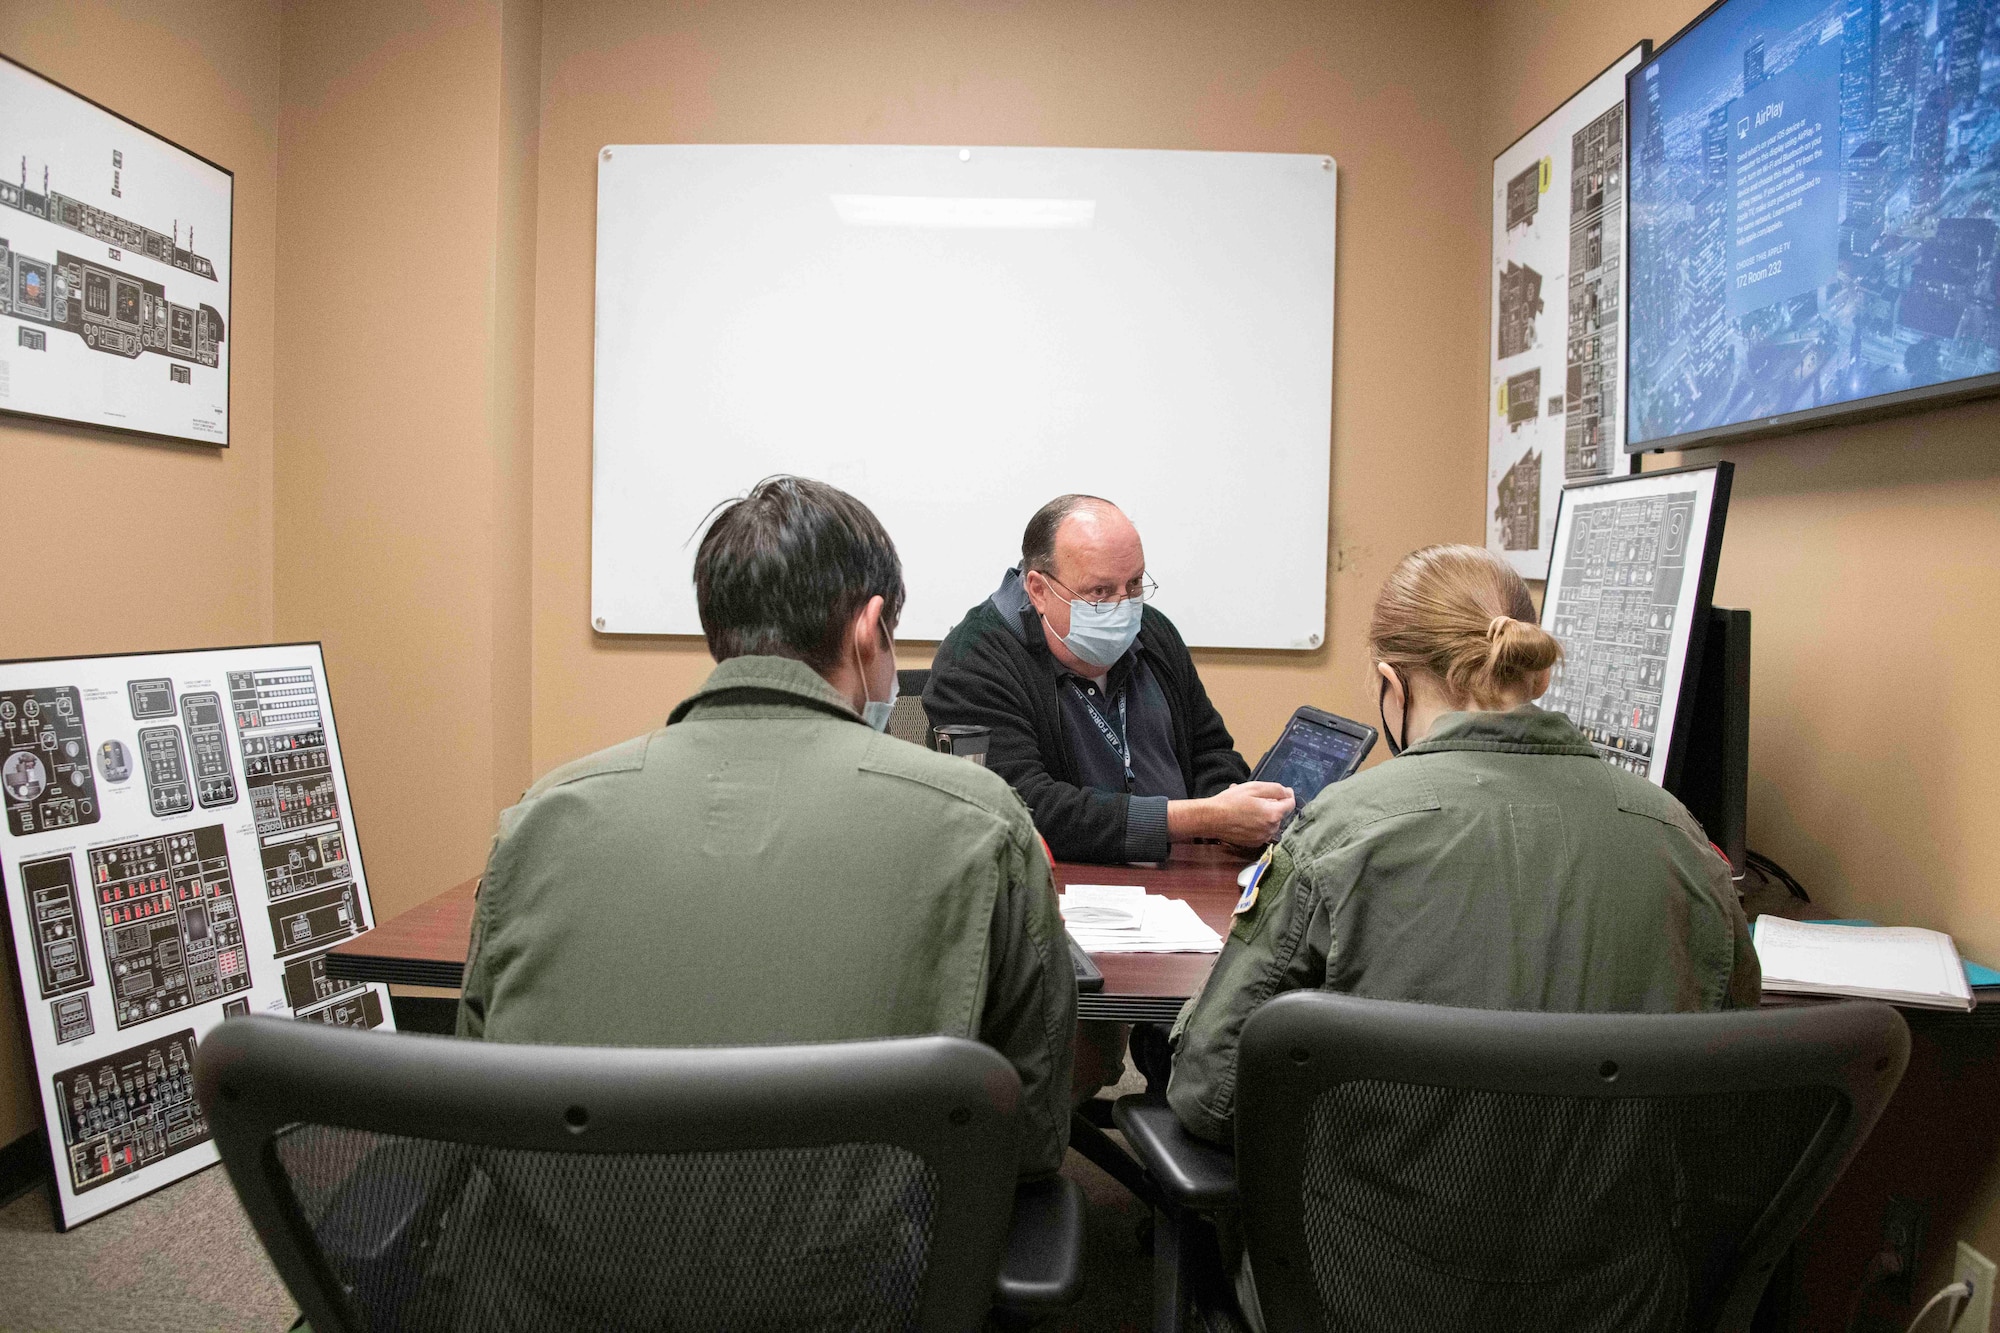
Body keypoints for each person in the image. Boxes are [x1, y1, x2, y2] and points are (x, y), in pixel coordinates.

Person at [458, 476, 1075, 1179]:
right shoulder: (982, 820)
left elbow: (476, 1091)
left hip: (550, 1279)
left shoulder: (539, 816)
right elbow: (1030, 1133)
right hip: (870, 1283)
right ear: (869, 627)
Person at [1169, 543, 1761, 1146]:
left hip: (1372, 1232)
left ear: (1390, 683)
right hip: (1621, 1235)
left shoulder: (1341, 830)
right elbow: (1736, 1075)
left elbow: (1209, 1090)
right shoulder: (1678, 834)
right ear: (1539, 673)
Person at [925, 494, 1294, 864]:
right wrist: (1198, 819)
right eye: (1100, 592)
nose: (1123, 607)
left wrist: (1234, 821)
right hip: (1067, 884)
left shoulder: (1153, 632)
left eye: (1133, 585)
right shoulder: (974, 659)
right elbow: (1022, 805)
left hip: (1186, 877)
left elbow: (1211, 751)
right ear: (1038, 590)